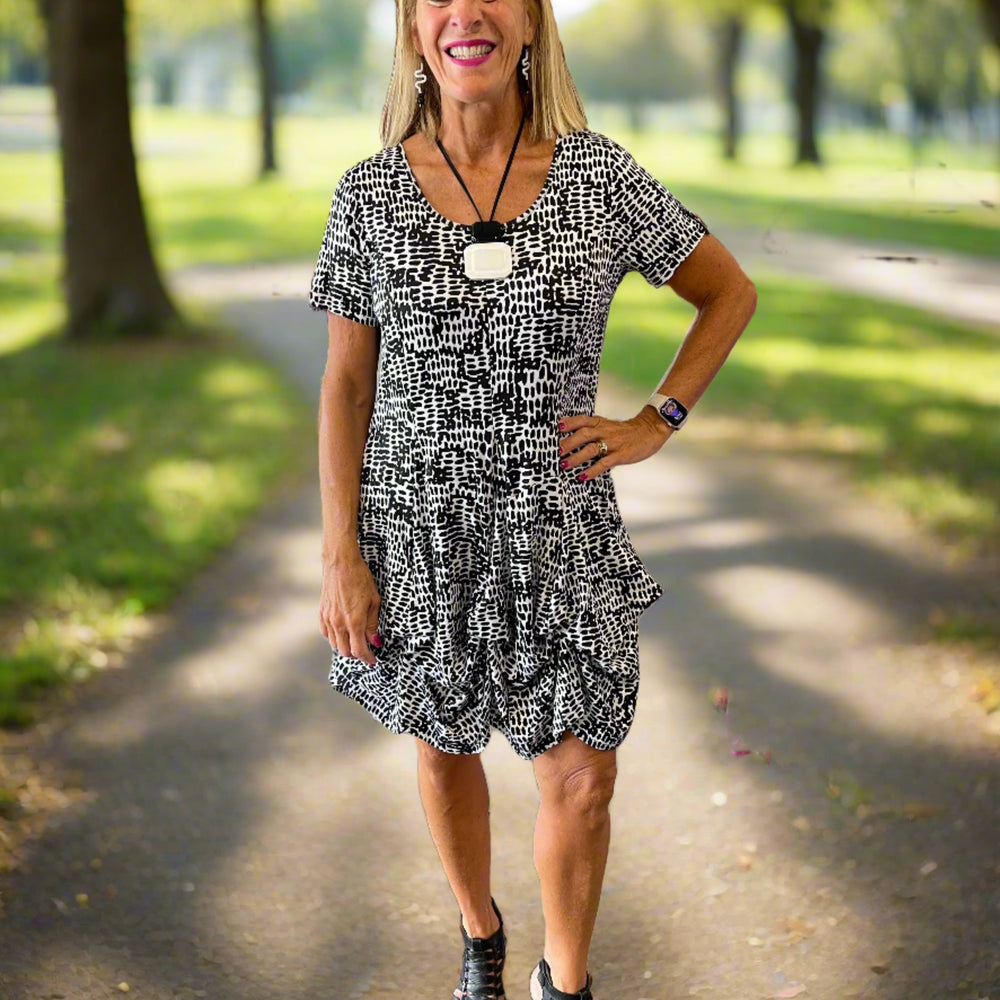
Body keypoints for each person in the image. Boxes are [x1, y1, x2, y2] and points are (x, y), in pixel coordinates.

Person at [309, 0, 757, 996]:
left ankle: (566, 981)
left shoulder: (599, 177)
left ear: (530, 23)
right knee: (442, 747)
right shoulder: (370, 194)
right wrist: (340, 551)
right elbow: (345, 385)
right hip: (416, 537)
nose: (465, 12)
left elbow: (727, 291)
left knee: (583, 778)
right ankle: (480, 935)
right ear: (414, 29)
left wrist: (658, 418)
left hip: (561, 535)